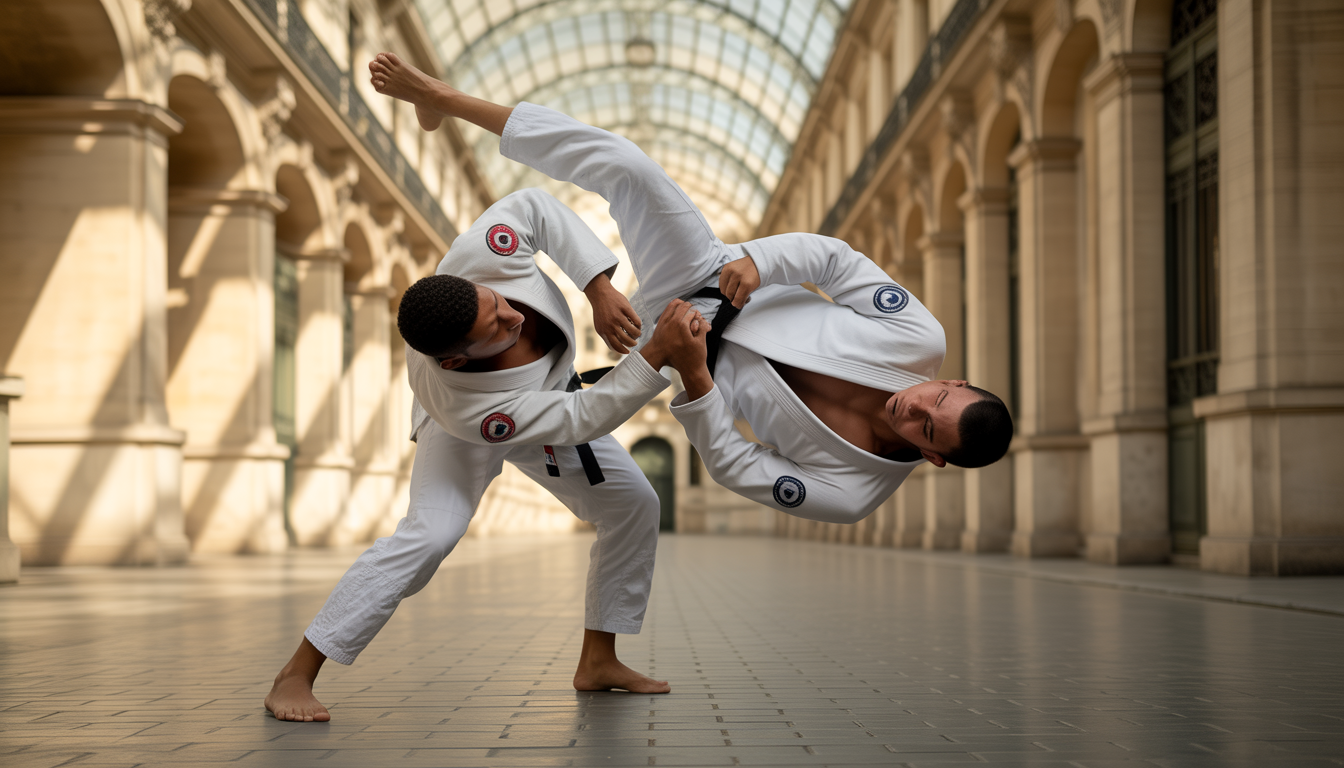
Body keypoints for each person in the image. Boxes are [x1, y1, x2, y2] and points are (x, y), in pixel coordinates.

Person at [366, 52, 1012, 523]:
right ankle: (443, 100)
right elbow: (837, 262)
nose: (915, 409)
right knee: (628, 167)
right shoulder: (918, 336)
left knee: (577, 412)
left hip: (678, 346)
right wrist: (761, 262)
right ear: (952, 380)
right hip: (715, 274)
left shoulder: (851, 492)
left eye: (928, 430)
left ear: (934, 460)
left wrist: (697, 379)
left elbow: (737, 467)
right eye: (936, 399)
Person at [264, 183, 709, 722]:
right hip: (471, 426)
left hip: (543, 395)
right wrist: (657, 353)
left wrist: (597, 288)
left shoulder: (480, 255)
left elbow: (536, 207)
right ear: (455, 361)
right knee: (431, 535)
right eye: (494, 327)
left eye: (496, 302)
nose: (511, 317)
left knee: (634, 505)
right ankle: (296, 673)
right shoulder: (465, 405)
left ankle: (599, 660)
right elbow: (580, 419)